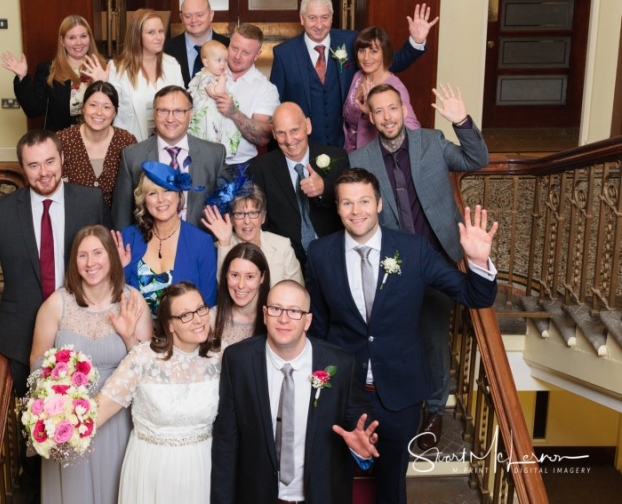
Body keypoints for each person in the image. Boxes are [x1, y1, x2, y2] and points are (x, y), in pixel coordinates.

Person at [306, 168, 498, 503]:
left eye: (364, 201)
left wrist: (479, 262)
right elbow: (320, 326)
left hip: (400, 394)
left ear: (379, 203)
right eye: (347, 203)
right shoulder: (320, 253)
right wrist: (320, 383)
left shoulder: (413, 250)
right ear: (337, 209)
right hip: (345, 391)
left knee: (392, 487)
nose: (356, 211)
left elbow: (475, 296)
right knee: (333, 481)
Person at [0, 130, 110, 501]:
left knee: (86, 419)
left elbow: (104, 256)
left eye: (50, 161)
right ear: (22, 168)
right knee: (40, 427)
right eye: (33, 165)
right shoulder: (4, 210)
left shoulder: (90, 200)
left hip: (82, 330)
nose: (43, 172)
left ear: (62, 159)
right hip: (23, 339)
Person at [349, 82, 489, 452]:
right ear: (371, 116)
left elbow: (477, 160)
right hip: (394, 264)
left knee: (432, 335)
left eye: (392, 108)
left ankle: (435, 408)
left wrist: (462, 121)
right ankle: (402, 404)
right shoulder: (360, 159)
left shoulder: (432, 141)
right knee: (398, 336)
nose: (386, 116)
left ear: (402, 107)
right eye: (378, 111)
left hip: (439, 257)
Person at [211, 280, 380, 504]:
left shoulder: (340, 364)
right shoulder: (238, 360)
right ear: (264, 314)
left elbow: (359, 428)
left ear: (307, 320)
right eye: (276, 309)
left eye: (294, 311)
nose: (283, 318)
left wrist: (362, 452)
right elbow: (226, 443)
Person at [29, 225, 152, 504]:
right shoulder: (56, 304)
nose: (90, 262)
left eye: (98, 253)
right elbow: (37, 362)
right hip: (68, 420)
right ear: (74, 262)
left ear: (111, 256)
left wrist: (128, 336)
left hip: (118, 419)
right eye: (82, 255)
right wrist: (60, 398)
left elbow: (149, 370)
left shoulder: (133, 302)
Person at [92, 282, 224, 503]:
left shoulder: (222, 356)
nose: (198, 319)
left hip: (204, 466)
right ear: (170, 324)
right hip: (152, 468)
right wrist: (59, 425)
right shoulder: (142, 359)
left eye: (201, 309)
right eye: (185, 315)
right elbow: (99, 411)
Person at [270, 0, 438, 147]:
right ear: (302, 18)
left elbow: (386, 62)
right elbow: (275, 106)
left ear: (332, 17)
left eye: (325, 17)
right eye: (312, 18)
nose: (319, 25)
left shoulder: (350, 40)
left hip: (344, 145)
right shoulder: (284, 53)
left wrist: (416, 42)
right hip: (303, 146)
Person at [111, 85, 225, 230]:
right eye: (163, 111)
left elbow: (225, 210)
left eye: (178, 111)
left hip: (201, 245)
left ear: (190, 114)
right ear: (154, 113)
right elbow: (122, 216)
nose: (170, 119)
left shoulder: (214, 154)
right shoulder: (132, 156)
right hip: (150, 245)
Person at [248, 102, 347, 267]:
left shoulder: (337, 158)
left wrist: (325, 189)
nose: (289, 140)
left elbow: (349, 206)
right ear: (273, 133)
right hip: (285, 259)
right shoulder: (260, 169)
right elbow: (262, 224)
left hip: (333, 255)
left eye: (294, 130)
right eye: (281, 133)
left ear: (307, 126)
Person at [119, 161, 217, 316]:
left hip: (185, 336)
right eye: (152, 193)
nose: (161, 199)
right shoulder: (128, 237)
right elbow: (114, 297)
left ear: (179, 196)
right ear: (144, 200)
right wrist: (120, 271)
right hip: (135, 334)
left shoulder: (201, 243)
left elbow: (209, 306)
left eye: (167, 191)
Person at [84, 9, 184, 142]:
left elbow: (183, 106)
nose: (159, 37)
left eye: (161, 31)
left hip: (169, 142)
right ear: (137, 36)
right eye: (151, 32)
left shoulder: (172, 65)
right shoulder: (118, 68)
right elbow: (109, 110)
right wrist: (101, 86)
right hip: (130, 144)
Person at [1, 15, 105, 132]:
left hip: (97, 139)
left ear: (90, 39)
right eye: (72, 37)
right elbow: (33, 110)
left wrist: (104, 83)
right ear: (62, 41)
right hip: (60, 141)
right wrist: (22, 77)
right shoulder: (48, 70)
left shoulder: (105, 69)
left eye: (83, 36)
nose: (79, 42)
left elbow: (117, 110)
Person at [202, 181, 303, 286]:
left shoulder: (282, 246)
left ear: (263, 217)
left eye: (253, 213)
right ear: (231, 219)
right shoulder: (220, 247)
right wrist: (224, 243)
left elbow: (297, 292)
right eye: (240, 214)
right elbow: (222, 292)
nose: (247, 221)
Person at [57, 81, 137, 207]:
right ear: (83, 107)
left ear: (115, 112)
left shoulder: (126, 141)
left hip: (115, 222)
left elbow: (134, 190)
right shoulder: (63, 139)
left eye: (106, 107)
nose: (99, 112)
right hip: (74, 217)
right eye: (93, 105)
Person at [343, 26, 421, 152]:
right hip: (349, 153)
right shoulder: (358, 76)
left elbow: (412, 129)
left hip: (375, 156)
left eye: (373, 51)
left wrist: (372, 113)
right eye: (362, 50)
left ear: (384, 53)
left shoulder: (395, 87)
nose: (366, 57)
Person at [213, 24, 280, 168]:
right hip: (203, 161)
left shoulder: (266, 89)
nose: (237, 56)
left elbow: (263, 138)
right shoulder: (209, 73)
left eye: (246, 52)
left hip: (240, 166)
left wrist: (234, 113)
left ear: (257, 55)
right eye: (234, 48)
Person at [188, 40, 242, 158]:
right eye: (218, 61)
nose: (223, 64)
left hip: (217, 116)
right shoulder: (205, 78)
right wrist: (222, 80)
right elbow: (216, 93)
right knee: (210, 140)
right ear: (206, 62)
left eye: (225, 60)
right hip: (207, 118)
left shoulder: (213, 76)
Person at [164, 0, 231, 87]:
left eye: (199, 15)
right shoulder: (166, 49)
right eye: (188, 16)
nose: (194, 20)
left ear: (211, 15)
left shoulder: (229, 46)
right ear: (181, 18)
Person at [210, 243, 270, 344]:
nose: (241, 285)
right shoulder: (211, 319)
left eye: (250, 276)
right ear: (226, 275)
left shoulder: (274, 319)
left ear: (262, 277)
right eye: (235, 275)